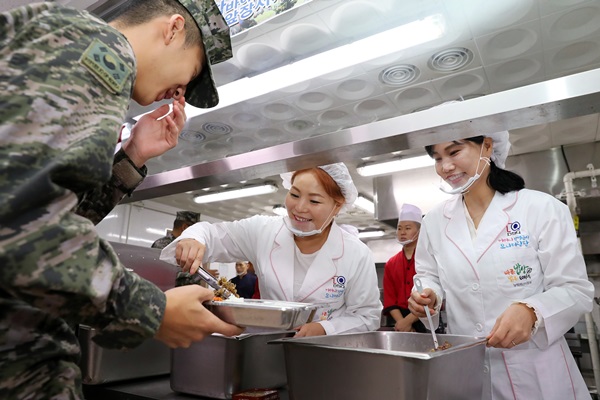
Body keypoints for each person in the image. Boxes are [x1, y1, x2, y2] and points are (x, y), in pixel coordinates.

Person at [0, 1, 244, 398]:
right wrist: (154, 310)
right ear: (173, 29)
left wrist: (134, 157)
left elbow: (44, 213)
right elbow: (17, 221)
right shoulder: (101, 47)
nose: (180, 94)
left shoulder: (68, 44)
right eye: (192, 74)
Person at [408, 131, 594, 399]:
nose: (445, 166)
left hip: (536, 372)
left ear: (486, 146)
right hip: (468, 369)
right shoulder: (435, 221)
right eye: (437, 158)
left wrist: (532, 311)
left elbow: (575, 290)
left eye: (454, 152)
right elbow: (427, 275)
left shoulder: (541, 208)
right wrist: (429, 295)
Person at [161, 163, 383, 337]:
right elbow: (212, 234)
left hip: (326, 357)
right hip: (266, 349)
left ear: (337, 206)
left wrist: (326, 329)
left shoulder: (356, 253)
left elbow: (367, 316)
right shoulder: (264, 231)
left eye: (314, 201)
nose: (300, 207)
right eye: (294, 195)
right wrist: (193, 238)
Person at [382, 203, 428, 333]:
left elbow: (431, 296)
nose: (402, 232)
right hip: (399, 321)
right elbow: (390, 299)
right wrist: (402, 323)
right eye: (399, 228)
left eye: (408, 228)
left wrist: (407, 322)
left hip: (425, 318)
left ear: (419, 231)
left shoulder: (428, 259)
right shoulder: (391, 263)